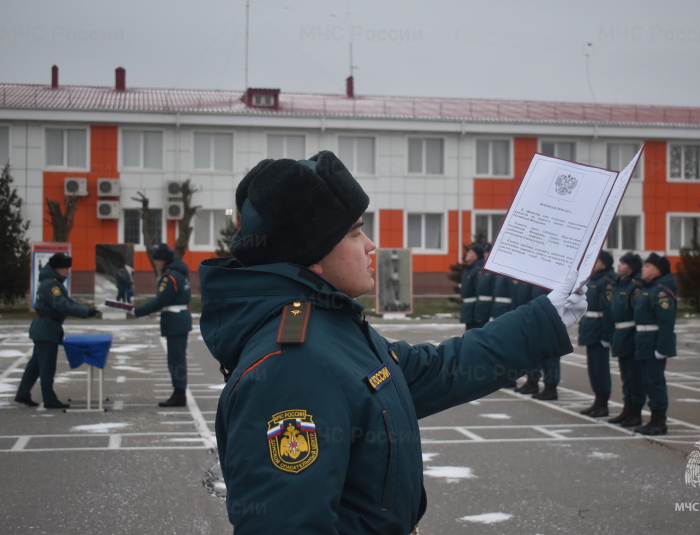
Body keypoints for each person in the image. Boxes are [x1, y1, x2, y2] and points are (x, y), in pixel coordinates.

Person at [199, 151, 587, 534]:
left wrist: (545, 318)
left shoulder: (330, 325)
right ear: (311, 258)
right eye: (354, 233)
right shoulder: (293, 364)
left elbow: (437, 370)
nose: (370, 245)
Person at [15, 253, 98, 409]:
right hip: (47, 329)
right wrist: (85, 312)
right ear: (58, 268)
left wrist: (86, 309)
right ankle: (49, 399)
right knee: (47, 366)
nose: (67, 271)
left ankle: (23, 393)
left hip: (45, 328)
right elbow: (62, 305)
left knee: (36, 365)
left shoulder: (51, 283)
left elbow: (68, 302)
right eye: (66, 268)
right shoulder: (52, 286)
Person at [131, 244, 192, 407]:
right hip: (180, 319)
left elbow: (160, 301)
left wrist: (138, 311)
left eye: (156, 259)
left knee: (176, 359)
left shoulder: (170, 277)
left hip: (175, 320)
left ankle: (179, 394)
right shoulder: (180, 274)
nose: (156, 262)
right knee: (177, 358)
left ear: (162, 259)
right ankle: (179, 392)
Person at [632, 253, 677, 435]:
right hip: (644, 342)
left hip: (653, 344)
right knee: (648, 382)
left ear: (656, 271)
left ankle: (659, 421)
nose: (642, 269)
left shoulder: (661, 293)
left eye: (647, 266)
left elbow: (666, 323)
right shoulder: (648, 289)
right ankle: (653, 419)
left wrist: (662, 348)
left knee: (655, 382)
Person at [605, 252, 645, 427]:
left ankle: (636, 412)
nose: (619, 266)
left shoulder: (635, 286)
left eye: (623, 263)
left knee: (635, 376)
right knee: (626, 377)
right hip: (620, 334)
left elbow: (638, 314)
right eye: (619, 263)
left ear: (631, 268)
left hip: (631, 334)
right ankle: (627, 409)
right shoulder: (618, 284)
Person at [577, 250, 616, 417]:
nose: (594, 263)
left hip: (600, 330)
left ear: (605, 263)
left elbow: (609, 310)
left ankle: (603, 403)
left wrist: (607, 336)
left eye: (597, 260)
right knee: (593, 368)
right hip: (590, 328)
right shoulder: (594, 280)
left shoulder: (607, 282)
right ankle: (597, 401)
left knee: (600, 368)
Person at [459, 243, 486, 330]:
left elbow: (479, 291)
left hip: (475, 312)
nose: (467, 254)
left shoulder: (478, 270)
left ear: (476, 255)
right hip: (469, 311)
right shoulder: (469, 269)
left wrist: (478, 313)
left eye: (470, 252)